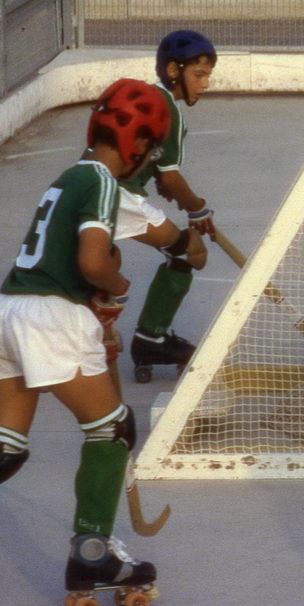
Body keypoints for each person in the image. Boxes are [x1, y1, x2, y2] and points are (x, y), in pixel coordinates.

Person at [0, 79, 169, 604]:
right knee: (113, 430)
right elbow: (93, 261)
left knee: (2, 449)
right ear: (137, 144)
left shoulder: (67, 176)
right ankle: (92, 553)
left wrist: (95, 297)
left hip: (8, 311)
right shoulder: (100, 180)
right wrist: (117, 288)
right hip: (50, 318)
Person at [118, 30, 216, 382]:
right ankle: (151, 339)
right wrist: (198, 209)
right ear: (174, 71)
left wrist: (157, 175)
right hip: (118, 199)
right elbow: (172, 179)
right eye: (199, 75)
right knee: (192, 253)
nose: (205, 84)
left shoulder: (148, 97)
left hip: (96, 190)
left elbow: (150, 159)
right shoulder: (169, 112)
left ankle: (149, 339)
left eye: (208, 76)